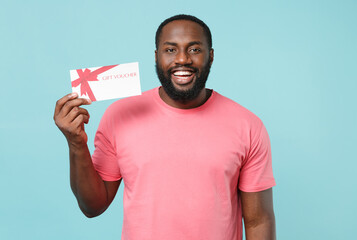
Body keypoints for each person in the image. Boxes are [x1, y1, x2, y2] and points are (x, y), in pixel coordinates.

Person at [54, 14, 276, 240]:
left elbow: (259, 221)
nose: (182, 59)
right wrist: (76, 144)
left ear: (210, 57)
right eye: (170, 50)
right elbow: (93, 207)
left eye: (194, 50)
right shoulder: (119, 115)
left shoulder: (247, 125)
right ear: (156, 57)